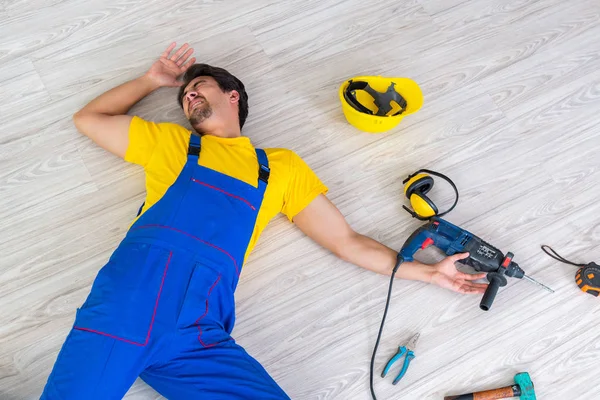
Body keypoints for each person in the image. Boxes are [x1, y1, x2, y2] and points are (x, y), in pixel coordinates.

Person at [41, 42, 487, 399]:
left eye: (197, 86)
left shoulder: (281, 168)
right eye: (183, 96)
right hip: (130, 304)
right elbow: (90, 119)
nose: (189, 95)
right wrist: (150, 80)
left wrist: (426, 273)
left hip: (198, 331)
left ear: (232, 95)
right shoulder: (171, 144)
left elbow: (346, 240)